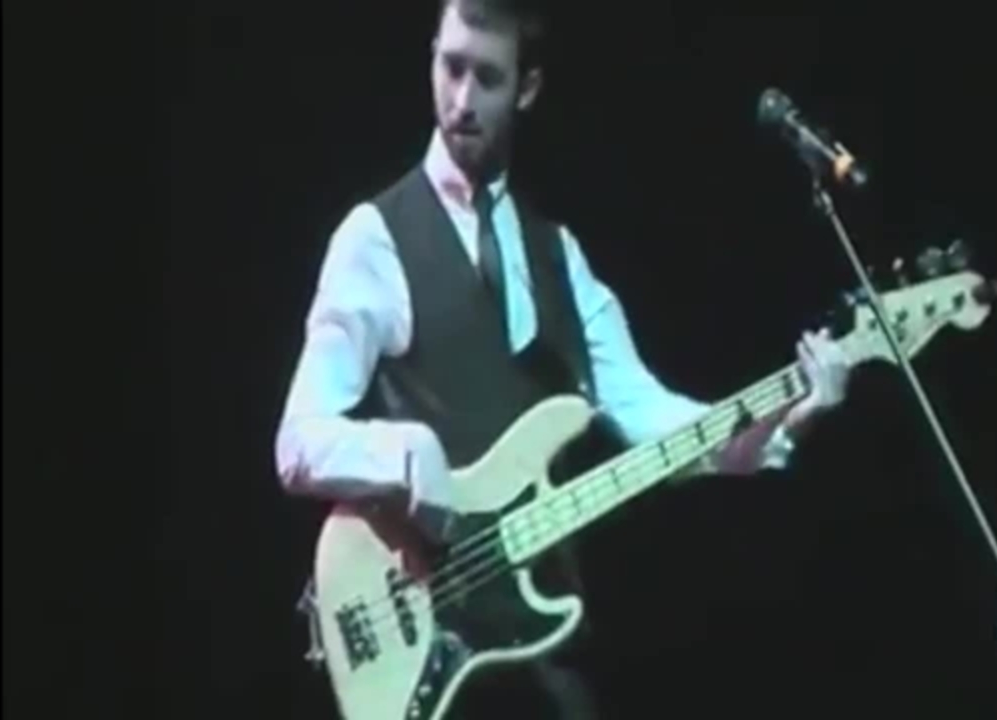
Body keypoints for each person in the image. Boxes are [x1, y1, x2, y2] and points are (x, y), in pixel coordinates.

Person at [273, 0, 854, 716]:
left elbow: (654, 420)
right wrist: (400, 453)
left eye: (488, 78)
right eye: (450, 68)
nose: (461, 100)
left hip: (543, 663)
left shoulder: (559, 257)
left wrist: (790, 416)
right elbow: (297, 441)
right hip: (432, 656)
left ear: (527, 88)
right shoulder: (375, 237)